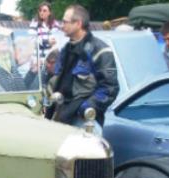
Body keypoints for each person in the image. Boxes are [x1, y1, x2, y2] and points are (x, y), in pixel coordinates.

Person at [45, 4, 119, 135]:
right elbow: (57, 82)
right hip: (62, 118)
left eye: (65, 22)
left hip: (84, 121)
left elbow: (110, 88)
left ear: (78, 23)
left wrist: (86, 108)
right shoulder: (65, 50)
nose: (62, 25)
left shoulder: (100, 50)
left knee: (87, 154)